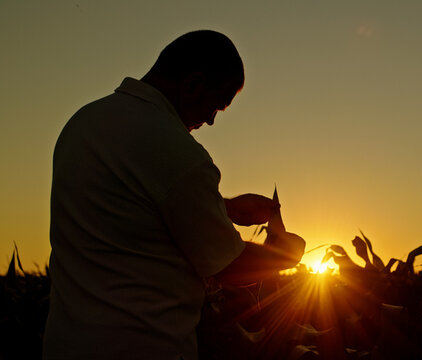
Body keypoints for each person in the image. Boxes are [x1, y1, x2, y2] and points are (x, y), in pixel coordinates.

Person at [43, 30, 304, 360]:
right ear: (193, 84)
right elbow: (229, 266)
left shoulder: (84, 123)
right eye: (217, 106)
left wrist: (225, 208)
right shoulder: (179, 152)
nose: (210, 120)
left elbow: (129, 205)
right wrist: (288, 254)